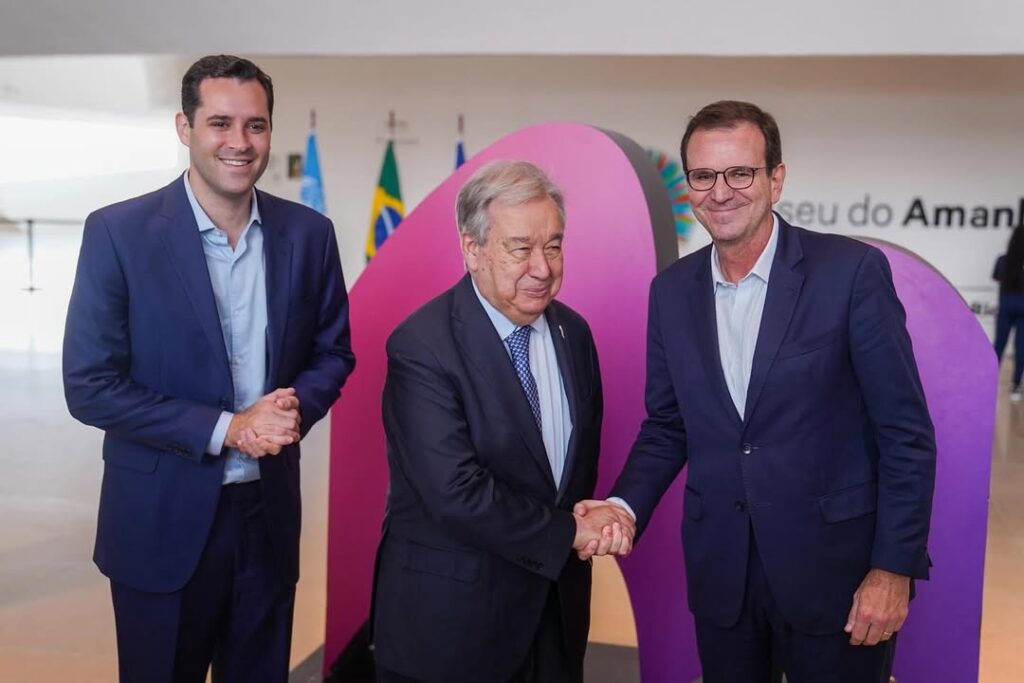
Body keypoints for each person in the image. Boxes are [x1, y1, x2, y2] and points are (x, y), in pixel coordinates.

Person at [577, 100, 936, 682]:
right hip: (724, 579)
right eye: (704, 176)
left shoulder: (850, 274)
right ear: (689, 185)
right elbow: (669, 425)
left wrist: (892, 569)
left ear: (775, 179)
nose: (721, 192)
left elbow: (906, 434)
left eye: (740, 173)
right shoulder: (671, 293)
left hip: (837, 582)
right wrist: (622, 505)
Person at [63, 55, 355, 683]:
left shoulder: (309, 235)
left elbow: (334, 352)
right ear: (184, 127)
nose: (239, 142)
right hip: (159, 520)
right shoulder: (119, 233)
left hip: (267, 518)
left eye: (256, 125)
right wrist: (229, 428)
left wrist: (287, 410)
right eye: (220, 122)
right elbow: (90, 385)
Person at [371, 161, 631, 683]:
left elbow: (570, 473)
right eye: (521, 248)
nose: (542, 267)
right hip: (454, 629)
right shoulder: (422, 346)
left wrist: (592, 519)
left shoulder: (573, 333)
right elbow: (455, 492)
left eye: (553, 246)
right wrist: (571, 533)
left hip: (555, 619)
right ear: (473, 250)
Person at [993, 224, 1024, 401]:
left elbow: (996, 277)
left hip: (1006, 307)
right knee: (1021, 347)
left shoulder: (1003, 261)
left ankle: (989, 381)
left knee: (999, 345)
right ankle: (1015, 386)